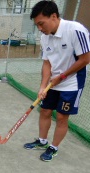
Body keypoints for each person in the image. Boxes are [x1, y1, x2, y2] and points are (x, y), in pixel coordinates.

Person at [24, 1, 90, 161]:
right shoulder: (45, 37)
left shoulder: (75, 30)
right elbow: (47, 63)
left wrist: (62, 76)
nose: (39, 28)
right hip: (53, 83)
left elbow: (85, 59)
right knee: (45, 111)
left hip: (72, 83)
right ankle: (42, 141)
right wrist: (42, 86)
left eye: (41, 23)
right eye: (37, 25)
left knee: (61, 116)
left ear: (53, 16)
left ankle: (54, 147)